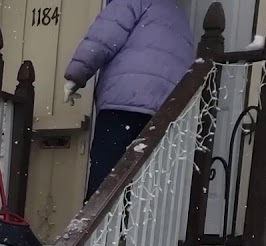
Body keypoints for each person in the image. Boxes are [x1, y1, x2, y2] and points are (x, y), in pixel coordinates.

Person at [63, 0, 196, 201]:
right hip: (164, 112)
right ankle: (124, 228)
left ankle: (100, 230)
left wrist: (76, 76)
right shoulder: (179, 16)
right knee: (142, 183)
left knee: (106, 179)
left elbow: (102, 38)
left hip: (124, 104)